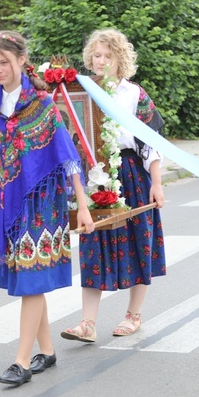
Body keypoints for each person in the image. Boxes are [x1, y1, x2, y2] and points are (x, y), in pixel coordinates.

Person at [0, 31, 94, 386]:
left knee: (30, 279)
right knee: (29, 278)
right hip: (8, 205)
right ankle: (47, 350)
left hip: (42, 205)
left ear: (22, 60)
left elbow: (67, 159)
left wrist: (82, 207)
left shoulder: (42, 104)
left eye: (4, 62)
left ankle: (21, 362)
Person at [62, 28, 166, 343]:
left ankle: (133, 315)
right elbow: (72, 139)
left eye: (108, 55)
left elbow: (151, 142)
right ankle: (87, 323)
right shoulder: (81, 92)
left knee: (139, 241)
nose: (102, 61)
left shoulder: (134, 94)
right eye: (96, 55)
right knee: (93, 245)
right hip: (95, 175)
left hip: (132, 172)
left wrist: (157, 182)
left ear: (120, 59)